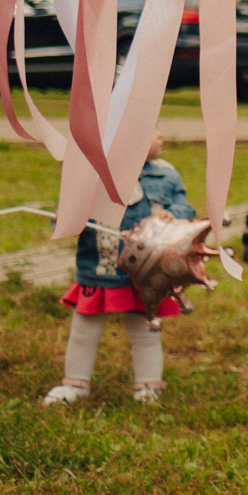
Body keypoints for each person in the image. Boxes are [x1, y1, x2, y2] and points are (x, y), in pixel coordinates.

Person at [43, 132, 191, 405]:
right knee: (83, 331)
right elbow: (66, 215)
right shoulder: (90, 174)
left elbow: (184, 207)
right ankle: (75, 384)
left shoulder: (165, 174)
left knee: (145, 332)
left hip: (144, 276)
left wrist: (173, 215)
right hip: (98, 270)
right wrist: (63, 217)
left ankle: (148, 387)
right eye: (151, 127)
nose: (160, 134)